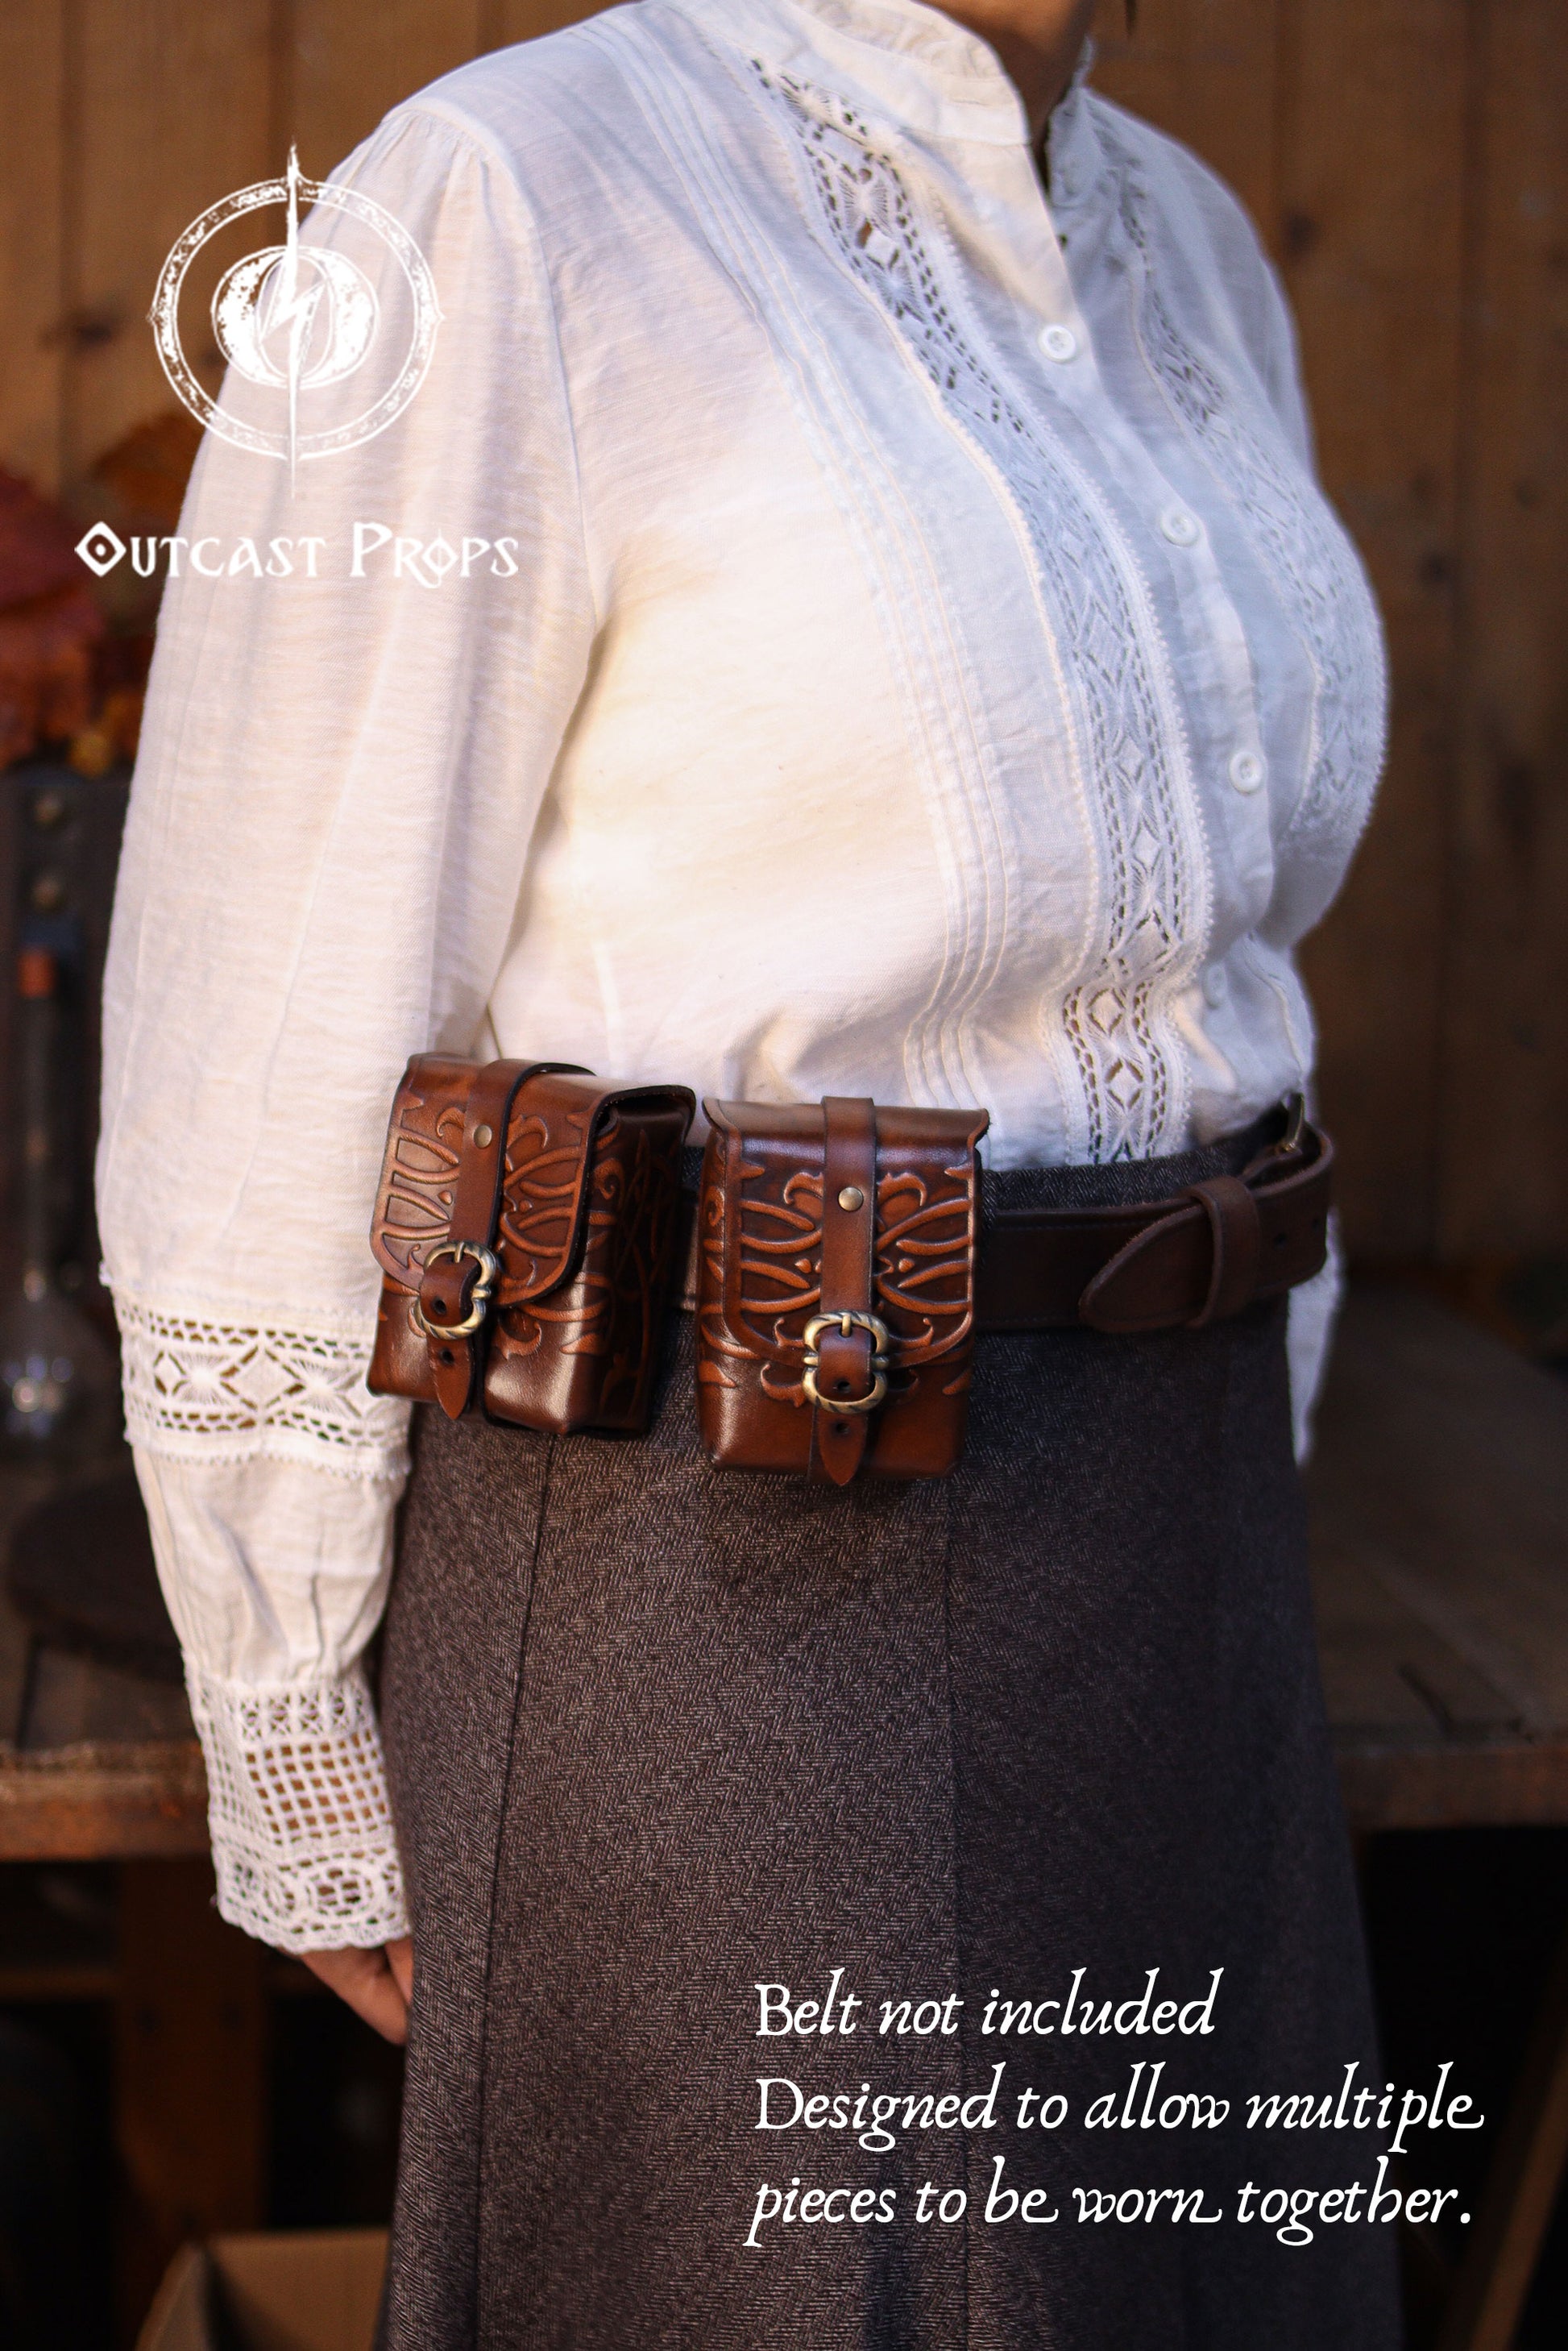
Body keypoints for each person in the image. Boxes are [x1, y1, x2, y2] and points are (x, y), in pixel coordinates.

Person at [98, 0, 1400, 2341]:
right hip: (729, 1555)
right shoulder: (509, 194)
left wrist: (1237, 1399)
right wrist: (284, 1700)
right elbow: (268, 983)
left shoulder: (1188, 240)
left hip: (1181, 1543)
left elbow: (1229, 960)